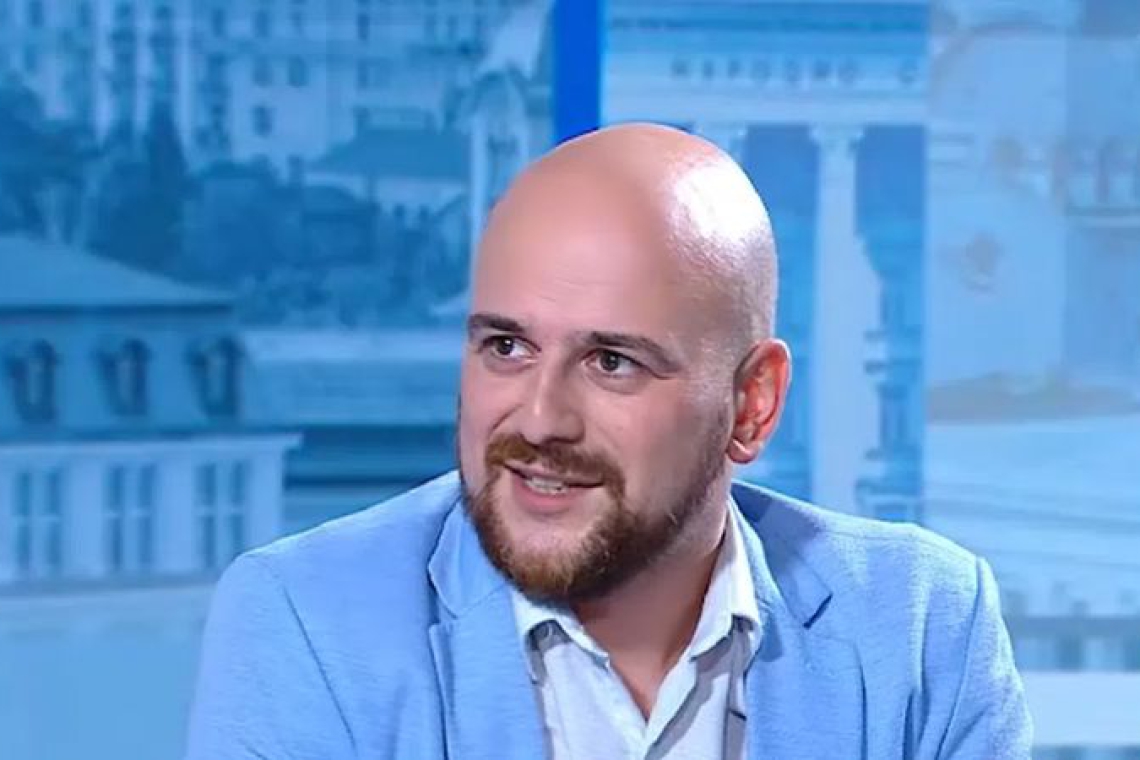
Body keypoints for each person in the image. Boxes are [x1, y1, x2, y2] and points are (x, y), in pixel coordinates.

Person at [185, 123, 1032, 759]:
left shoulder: (919, 627)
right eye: (506, 347)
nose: (539, 419)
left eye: (612, 362)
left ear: (752, 405)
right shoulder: (310, 621)